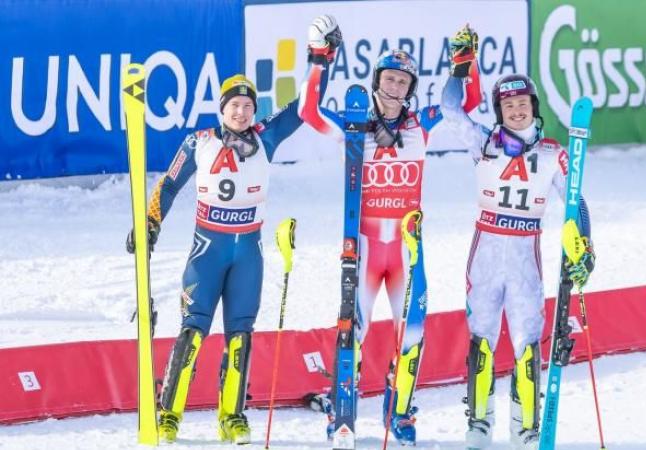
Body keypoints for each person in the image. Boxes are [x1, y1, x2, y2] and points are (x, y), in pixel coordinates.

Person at [125, 15, 342, 444]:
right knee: (192, 333)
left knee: (240, 337)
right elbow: (168, 185)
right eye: (233, 105)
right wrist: (148, 223)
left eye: (247, 105)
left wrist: (321, 59)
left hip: (248, 252)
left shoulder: (267, 137)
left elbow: (305, 108)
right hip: (208, 249)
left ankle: (232, 416)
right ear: (221, 109)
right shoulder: (199, 142)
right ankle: (168, 414)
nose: (241, 111)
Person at [299, 36, 479, 445]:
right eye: (389, 79)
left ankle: (400, 413)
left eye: (403, 81)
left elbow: (463, 104)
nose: (395, 87)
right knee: (353, 332)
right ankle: (342, 409)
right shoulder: (354, 123)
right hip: (364, 249)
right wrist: (318, 58)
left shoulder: (421, 124)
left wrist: (464, 65)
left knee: (412, 335)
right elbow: (308, 112)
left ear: (410, 88)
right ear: (377, 80)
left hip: (406, 251)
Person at [441, 25, 595, 450]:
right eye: (508, 105)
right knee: (482, 339)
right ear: (499, 110)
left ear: (533, 105)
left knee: (528, 342)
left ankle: (525, 426)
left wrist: (585, 246)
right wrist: (459, 69)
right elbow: (449, 110)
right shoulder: (483, 143)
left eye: (522, 103)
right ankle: (479, 421)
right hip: (487, 250)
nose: (516, 111)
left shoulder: (552, 153)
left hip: (527, 253)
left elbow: (576, 202)